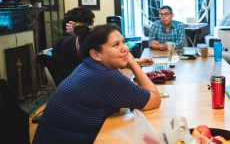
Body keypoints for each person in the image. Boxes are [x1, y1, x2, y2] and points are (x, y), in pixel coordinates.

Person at [33, 24, 161, 143]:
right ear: (95, 54)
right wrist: (133, 63)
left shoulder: (87, 66)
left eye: (123, 42)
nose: (125, 49)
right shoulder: (106, 77)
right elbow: (155, 99)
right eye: (115, 45)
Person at [52, 7, 153, 78]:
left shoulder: (62, 42)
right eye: (93, 23)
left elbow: (106, 60)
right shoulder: (75, 42)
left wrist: (137, 62)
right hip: (86, 94)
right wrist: (83, 28)